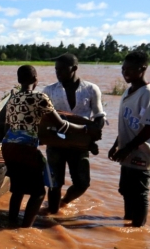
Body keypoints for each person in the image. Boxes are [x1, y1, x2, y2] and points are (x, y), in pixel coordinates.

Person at [2, 65, 94, 228]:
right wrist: (84, 129)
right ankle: (24, 229)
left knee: (18, 190)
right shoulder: (40, 97)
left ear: (19, 80)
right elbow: (61, 125)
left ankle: (10, 222)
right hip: (26, 149)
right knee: (38, 193)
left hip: (8, 147)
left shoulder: (12, 99)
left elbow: (6, 127)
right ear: (35, 79)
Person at [41, 53, 106, 214]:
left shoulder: (90, 89)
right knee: (54, 183)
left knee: (82, 183)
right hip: (56, 142)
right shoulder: (49, 90)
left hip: (80, 143)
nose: (58, 73)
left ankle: (64, 202)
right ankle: (52, 215)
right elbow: (42, 117)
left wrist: (93, 138)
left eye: (62, 69)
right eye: (56, 70)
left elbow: (99, 117)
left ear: (74, 68)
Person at [109, 50, 150, 227]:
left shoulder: (149, 94)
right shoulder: (128, 91)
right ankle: (127, 224)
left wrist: (127, 148)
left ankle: (138, 229)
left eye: (130, 70)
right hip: (127, 151)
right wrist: (117, 145)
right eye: (123, 69)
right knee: (126, 190)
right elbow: (127, 123)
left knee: (139, 192)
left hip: (142, 152)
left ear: (143, 69)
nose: (125, 73)